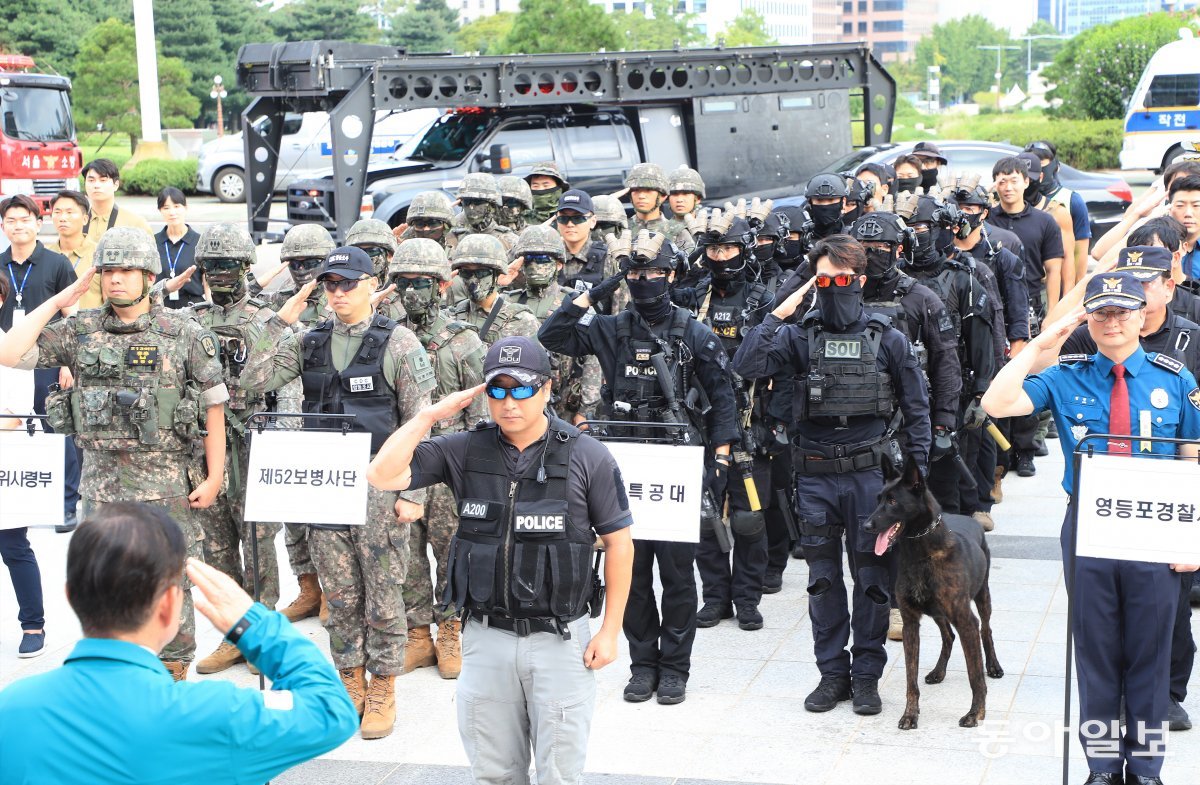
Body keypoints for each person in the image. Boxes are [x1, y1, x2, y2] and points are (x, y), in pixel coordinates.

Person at [365, 336, 634, 785]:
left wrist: (610, 633)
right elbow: (382, 473)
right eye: (498, 390)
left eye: (522, 388)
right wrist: (429, 416)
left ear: (546, 390)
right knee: (493, 772)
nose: (510, 402)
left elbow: (620, 544)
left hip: (560, 639)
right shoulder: (465, 449)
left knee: (560, 774)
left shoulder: (587, 455)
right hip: (486, 637)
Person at [982, 271, 1200, 785]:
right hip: (1089, 524)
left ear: (1141, 315)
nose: (1112, 322)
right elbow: (996, 403)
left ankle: (1145, 769)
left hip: (1155, 526)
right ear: (1089, 320)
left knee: (1150, 654)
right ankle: (1102, 767)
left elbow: (1193, 455)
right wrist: (1040, 343)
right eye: (1100, 313)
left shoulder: (1176, 379)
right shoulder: (1066, 374)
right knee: (1097, 652)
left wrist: (1191, 536)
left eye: (1123, 311)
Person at [0, 227, 229, 681]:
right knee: (105, 582)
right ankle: (116, 675)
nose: (115, 280)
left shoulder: (183, 332)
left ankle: (172, 674)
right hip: (102, 487)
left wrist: (214, 475)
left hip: (168, 488)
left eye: (126, 270)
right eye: (107, 271)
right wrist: (65, 294)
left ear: (148, 276)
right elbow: (8, 352)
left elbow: (214, 403)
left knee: (171, 579)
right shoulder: (80, 331)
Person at [0, 502, 359, 784]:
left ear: (70, 596)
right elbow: (331, 709)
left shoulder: (11, 708)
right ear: (171, 604)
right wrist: (254, 624)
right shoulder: (217, 712)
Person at [732, 235, 931, 717]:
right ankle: (832, 675)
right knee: (822, 581)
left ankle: (866, 677)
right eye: (823, 280)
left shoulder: (889, 337)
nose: (833, 288)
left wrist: (916, 480)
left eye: (842, 280)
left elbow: (917, 409)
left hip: (871, 481)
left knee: (872, 581)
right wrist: (784, 307)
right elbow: (746, 365)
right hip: (815, 476)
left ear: (860, 281)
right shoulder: (798, 335)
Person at [539, 230, 739, 706]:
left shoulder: (694, 332)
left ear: (670, 275)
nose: (644, 280)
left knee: (675, 576)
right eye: (636, 273)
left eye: (652, 272)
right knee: (628, 573)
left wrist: (723, 457)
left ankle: (675, 668)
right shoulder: (613, 328)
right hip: (624, 465)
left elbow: (724, 397)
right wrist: (595, 293)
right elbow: (553, 334)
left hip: (676, 464)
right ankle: (642, 665)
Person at [276, 245, 435, 739]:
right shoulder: (308, 340)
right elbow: (252, 379)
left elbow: (419, 421)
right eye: (330, 284)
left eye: (348, 283)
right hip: (326, 486)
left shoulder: (400, 342)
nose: (338, 292)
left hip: (380, 489)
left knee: (383, 594)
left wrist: (417, 493)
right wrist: (283, 318)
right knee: (341, 597)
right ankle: (349, 682)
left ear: (372, 284)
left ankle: (383, 684)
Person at [186, 224, 302, 675]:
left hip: (256, 441)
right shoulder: (188, 320)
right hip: (207, 445)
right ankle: (235, 634)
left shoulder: (266, 319)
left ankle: (263, 633)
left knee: (257, 543)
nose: (218, 274)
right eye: (210, 266)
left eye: (228, 265)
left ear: (246, 267)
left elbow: (289, 384)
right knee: (216, 546)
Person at [377, 237, 488, 679]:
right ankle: (417, 633)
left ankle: (450, 628)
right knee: (406, 553)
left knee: (451, 550)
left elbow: (481, 415)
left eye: (421, 282)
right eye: (402, 282)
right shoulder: (387, 336)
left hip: (446, 466)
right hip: (402, 461)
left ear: (442, 286)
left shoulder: (463, 342)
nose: (411, 292)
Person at [691, 214, 775, 626]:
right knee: (705, 514)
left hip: (750, 422)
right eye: (714, 249)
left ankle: (747, 599)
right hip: (702, 423)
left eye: (728, 248)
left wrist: (773, 423)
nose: (721, 257)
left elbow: (782, 362)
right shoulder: (693, 298)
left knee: (749, 518)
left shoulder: (763, 300)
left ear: (745, 249)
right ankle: (715, 597)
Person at [257, 223, 336, 625]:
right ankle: (308, 588)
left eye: (311, 262)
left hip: (328, 417)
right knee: (292, 514)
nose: (303, 270)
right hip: (283, 417)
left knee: (327, 514)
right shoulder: (274, 302)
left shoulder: (343, 299)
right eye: (295, 263)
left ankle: (332, 590)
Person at [1, 194, 82, 534]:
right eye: (11, 220)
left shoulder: (57, 264)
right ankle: (16, 500)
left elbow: (72, 316)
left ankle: (66, 505)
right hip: (7, 364)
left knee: (58, 430)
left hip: (48, 362)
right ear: (3, 226)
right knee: (10, 429)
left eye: (25, 219)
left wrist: (69, 364)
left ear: (38, 223)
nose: (18, 226)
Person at [987, 155, 1067, 479]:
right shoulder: (986, 219)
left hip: (1030, 305)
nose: (1007, 186)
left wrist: (1052, 313)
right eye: (1001, 180)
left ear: (1026, 181)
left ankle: (1026, 450)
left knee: (1026, 378)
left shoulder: (1044, 222)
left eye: (1013, 179)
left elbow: (1054, 270)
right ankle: (1000, 453)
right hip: (993, 306)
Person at [0, 272, 46, 658]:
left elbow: (16, 414)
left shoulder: (12, 349)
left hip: (6, 461)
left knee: (13, 546)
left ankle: (33, 623)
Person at [449, 234, 540, 346]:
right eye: (466, 272)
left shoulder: (522, 321)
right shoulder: (450, 317)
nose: (473, 279)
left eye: (481, 272)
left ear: (496, 274)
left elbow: (538, 361)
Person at [1026, 141, 1092, 284]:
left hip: (1060, 285)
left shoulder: (1071, 200)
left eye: (1041, 162)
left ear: (1055, 166)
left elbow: (1079, 252)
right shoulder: (1017, 199)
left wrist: (1075, 292)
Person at [556, 189, 626, 316]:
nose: (570, 224)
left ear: (592, 221)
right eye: (564, 218)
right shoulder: (548, 257)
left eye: (578, 218)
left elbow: (620, 310)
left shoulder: (610, 259)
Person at [46, 190, 102, 309]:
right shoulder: (44, 255)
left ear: (85, 219)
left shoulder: (99, 253)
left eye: (70, 212)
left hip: (90, 326)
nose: (63, 218)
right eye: (57, 212)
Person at [624, 163, 695, 253]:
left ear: (663, 196)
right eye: (636, 190)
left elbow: (692, 264)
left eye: (648, 190)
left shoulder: (676, 231)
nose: (641, 196)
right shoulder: (621, 230)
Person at [154, 187, 205, 309]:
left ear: (186, 207)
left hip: (193, 307)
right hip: (160, 308)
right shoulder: (153, 242)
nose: (172, 212)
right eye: (166, 208)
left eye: (177, 206)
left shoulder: (200, 241)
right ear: (160, 210)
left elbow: (207, 280)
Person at [80, 159, 153, 241]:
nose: (96, 185)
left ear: (116, 185)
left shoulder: (135, 224)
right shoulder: (77, 222)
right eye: (91, 180)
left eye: (103, 180)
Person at [451, 174, 519, 251]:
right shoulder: (454, 239)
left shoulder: (509, 241)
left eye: (478, 202)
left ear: (492, 205)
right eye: (466, 202)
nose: (471, 207)